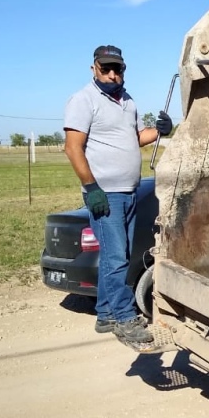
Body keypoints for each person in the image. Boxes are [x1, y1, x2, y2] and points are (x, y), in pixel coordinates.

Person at [63, 45, 172, 348]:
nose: (112, 74)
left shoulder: (128, 101)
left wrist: (160, 130)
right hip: (104, 195)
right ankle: (124, 318)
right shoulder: (83, 100)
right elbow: (72, 148)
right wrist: (92, 187)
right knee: (117, 257)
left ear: (124, 69)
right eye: (106, 68)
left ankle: (104, 313)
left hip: (129, 192)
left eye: (118, 69)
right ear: (93, 68)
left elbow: (135, 138)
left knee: (116, 255)